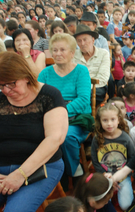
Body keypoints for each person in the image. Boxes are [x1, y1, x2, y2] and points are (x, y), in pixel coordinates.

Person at [0, 52, 67, 211]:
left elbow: (54, 139)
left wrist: (20, 174)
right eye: (0, 85)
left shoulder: (49, 96)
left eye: (11, 84)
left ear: (26, 77)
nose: (5, 90)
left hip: (39, 169)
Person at [38, 33, 93, 178]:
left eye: (62, 50)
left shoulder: (81, 71)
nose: (58, 53)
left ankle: (72, 172)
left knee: (66, 137)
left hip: (76, 118)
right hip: (50, 117)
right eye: (55, 50)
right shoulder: (45, 73)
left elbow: (83, 100)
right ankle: (47, 172)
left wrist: (58, 113)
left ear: (72, 53)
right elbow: (38, 100)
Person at [90, 103, 134, 211]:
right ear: (100, 122)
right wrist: (103, 174)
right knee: (101, 204)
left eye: (113, 119)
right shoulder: (97, 139)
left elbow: (133, 158)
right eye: (105, 120)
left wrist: (124, 172)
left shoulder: (125, 138)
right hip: (104, 176)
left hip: (122, 176)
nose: (109, 124)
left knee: (126, 205)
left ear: (118, 120)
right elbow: (95, 160)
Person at [73, 25, 110, 105]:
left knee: (84, 96)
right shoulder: (73, 55)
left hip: (96, 88)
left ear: (93, 40)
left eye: (85, 40)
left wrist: (84, 87)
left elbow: (102, 79)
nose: (82, 43)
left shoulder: (103, 53)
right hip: (77, 89)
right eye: (79, 41)